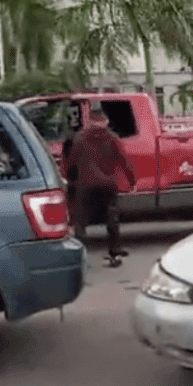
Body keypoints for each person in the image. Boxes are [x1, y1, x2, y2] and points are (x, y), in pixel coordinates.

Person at [66, 102, 136, 268]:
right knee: (112, 219)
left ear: (90, 118)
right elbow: (123, 160)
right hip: (108, 184)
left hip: (86, 184)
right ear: (104, 119)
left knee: (81, 221)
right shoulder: (111, 137)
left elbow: (72, 162)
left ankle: (80, 255)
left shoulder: (80, 137)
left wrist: (71, 180)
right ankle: (114, 251)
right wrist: (131, 180)